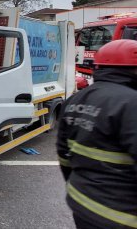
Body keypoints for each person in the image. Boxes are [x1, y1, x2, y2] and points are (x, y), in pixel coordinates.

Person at [56, 39, 137, 229]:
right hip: (120, 215)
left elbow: (63, 153)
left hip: (82, 203)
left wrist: (79, 183)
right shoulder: (131, 103)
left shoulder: (75, 99)